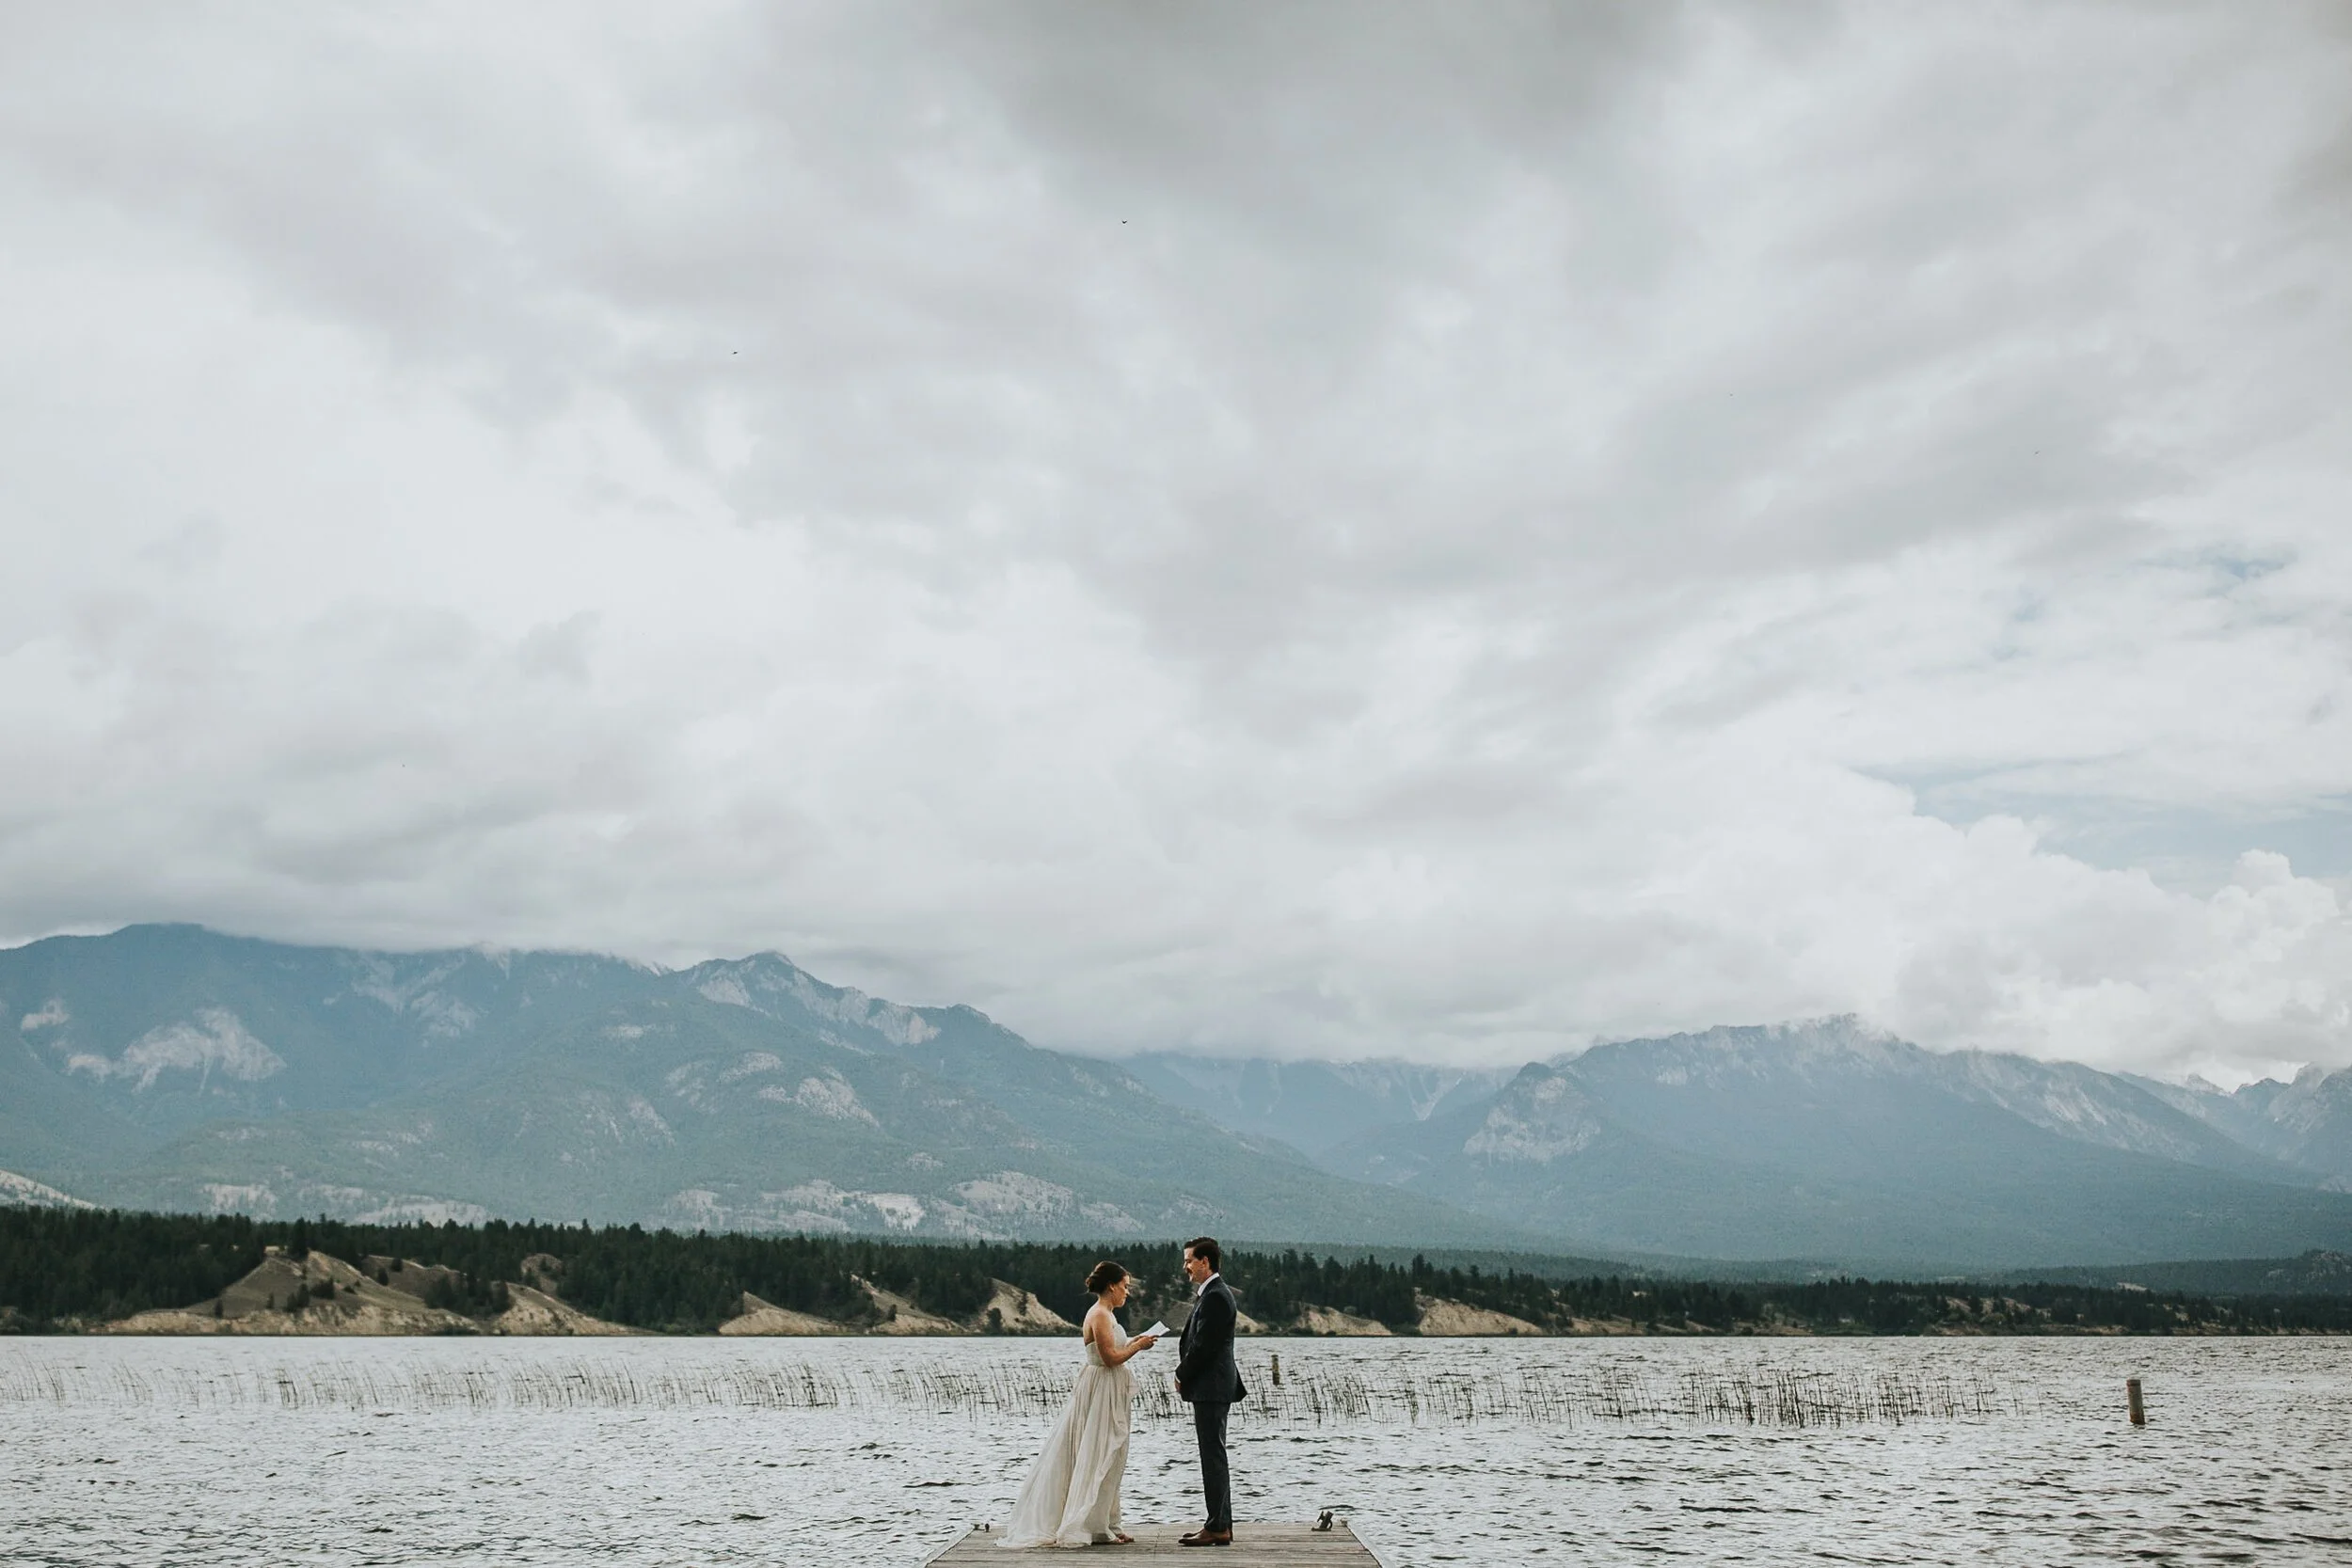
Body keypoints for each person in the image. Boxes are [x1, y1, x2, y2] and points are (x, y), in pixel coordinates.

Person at [1000, 1260, 1161, 1548]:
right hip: (1100, 1390)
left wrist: (1136, 1340)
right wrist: (1138, 1347)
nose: (1127, 1292)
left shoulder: (1107, 1315)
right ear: (1111, 1286)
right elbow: (1110, 1358)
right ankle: (1090, 1524)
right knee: (1098, 1453)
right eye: (1125, 1286)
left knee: (1112, 1456)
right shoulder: (1099, 1314)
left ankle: (1107, 1523)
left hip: (1109, 1389)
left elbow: (1114, 1348)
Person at [1173, 1236, 1247, 1547]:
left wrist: (1180, 1374)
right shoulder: (1213, 1294)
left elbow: (1204, 1346)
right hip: (1212, 1386)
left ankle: (1218, 1525)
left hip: (1211, 1386)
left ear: (1205, 1262)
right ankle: (1218, 1523)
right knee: (1213, 1455)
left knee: (1212, 1456)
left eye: (1189, 1260)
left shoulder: (1216, 1296)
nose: (1185, 1266)